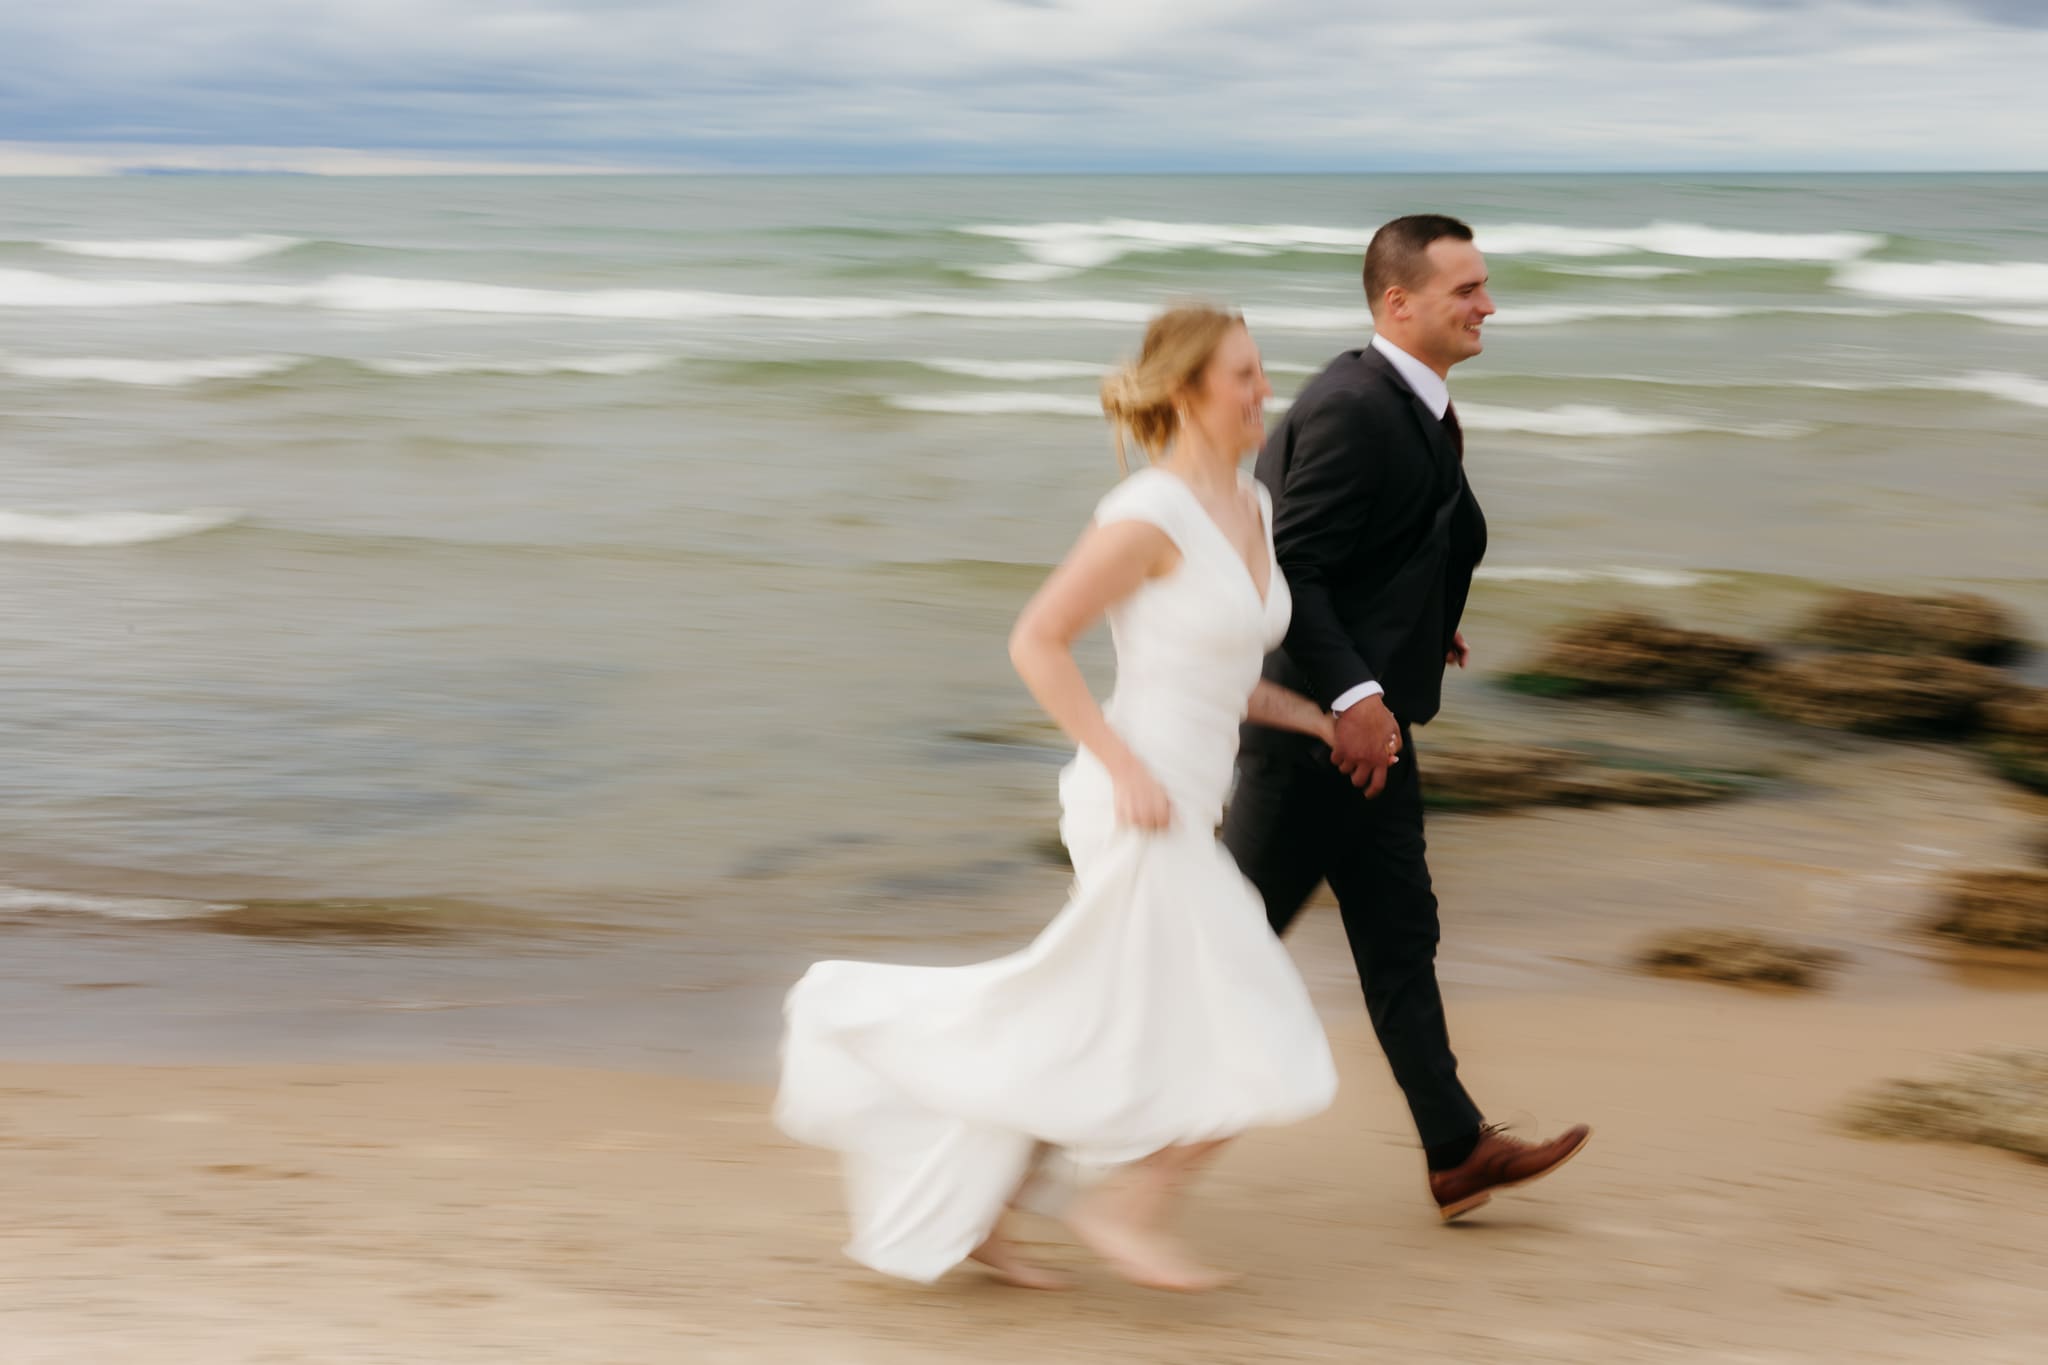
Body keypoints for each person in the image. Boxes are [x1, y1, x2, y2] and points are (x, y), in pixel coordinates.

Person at [776, 306, 1339, 1292]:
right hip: (1132, 806)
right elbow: (1036, 640)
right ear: (1184, 393)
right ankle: (1127, 1205)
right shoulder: (1145, 515)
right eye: (1243, 376)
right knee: (1258, 1016)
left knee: (1086, 1022)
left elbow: (1209, 669)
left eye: (1260, 372)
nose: (1263, 392)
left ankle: (981, 1212)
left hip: (1186, 804)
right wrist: (1120, 765)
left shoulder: (1248, 505)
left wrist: (1314, 718)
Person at [1222, 215, 1591, 1222]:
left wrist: (1427, 632)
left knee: (1398, 935)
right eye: (1465, 290)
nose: (1486, 306)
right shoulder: (1355, 406)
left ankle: (1455, 1150)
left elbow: (1391, 543)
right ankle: (1054, 1123)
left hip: (1364, 731)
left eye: (1482, 287)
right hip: (1310, 741)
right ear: (1399, 303)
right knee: (1216, 950)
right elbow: (1292, 569)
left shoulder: (1411, 402)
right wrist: (1355, 695)